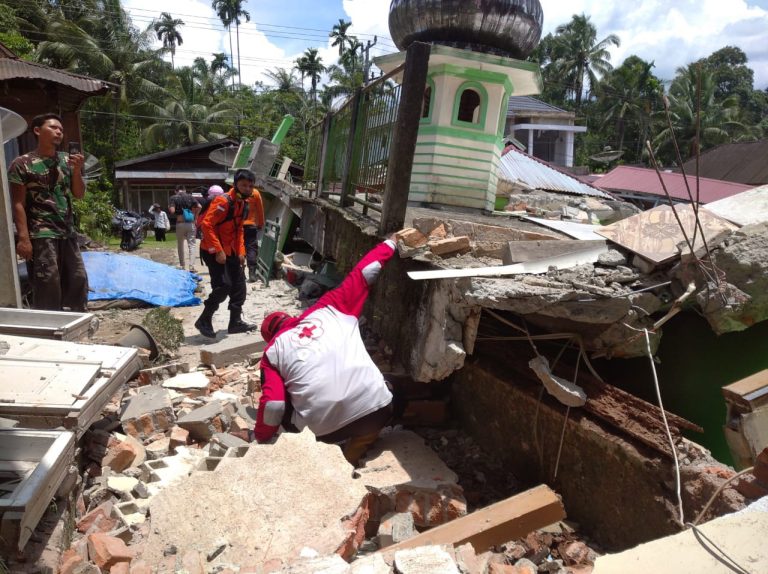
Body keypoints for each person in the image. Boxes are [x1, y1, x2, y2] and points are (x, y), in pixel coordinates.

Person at [255, 235, 398, 465]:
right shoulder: (330, 306)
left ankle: (332, 461)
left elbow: (273, 405)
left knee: (289, 398)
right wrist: (391, 243)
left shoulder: (272, 353)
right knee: (387, 386)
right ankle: (360, 444)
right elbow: (366, 271)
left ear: (270, 338)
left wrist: (261, 438)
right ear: (290, 318)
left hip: (324, 432)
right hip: (376, 412)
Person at [8, 113, 88, 311]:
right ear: (37, 131)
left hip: (67, 231)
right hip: (41, 233)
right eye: (53, 127)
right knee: (48, 281)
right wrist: (24, 239)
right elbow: (18, 203)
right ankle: (50, 323)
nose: (59, 132)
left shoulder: (67, 161)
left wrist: (77, 170)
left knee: (78, 278)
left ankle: (77, 319)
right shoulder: (22, 164)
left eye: (60, 129)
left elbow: (78, 194)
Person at [194, 169, 258, 338]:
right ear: (235, 184)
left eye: (250, 186)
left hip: (231, 250)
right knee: (223, 286)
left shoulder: (242, 203)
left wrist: (242, 252)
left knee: (239, 286)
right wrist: (218, 250)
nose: (247, 188)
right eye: (243, 185)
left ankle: (235, 322)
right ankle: (204, 319)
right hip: (212, 250)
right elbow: (206, 225)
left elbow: (239, 230)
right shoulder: (223, 202)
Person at [167, 184, 200, 272]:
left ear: (176, 191)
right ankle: (192, 266)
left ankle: (182, 265)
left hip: (180, 223)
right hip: (190, 223)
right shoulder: (190, 197)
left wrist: (170, 208)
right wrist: (195, 217)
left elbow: (172, 211)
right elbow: (199, 206)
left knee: (180, 245)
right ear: (185, 190)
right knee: (192, 245)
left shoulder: (174, 198)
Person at [242, 185, 265, 283]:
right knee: (251, 248)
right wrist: (261, 224)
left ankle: (241, 273)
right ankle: (252, 274)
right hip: (251, 225)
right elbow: (260, 210)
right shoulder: (255, 193)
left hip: (238, 226)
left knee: (240, 248)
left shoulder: (237, 192)